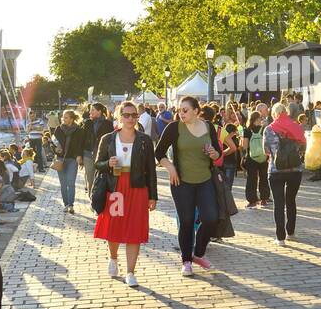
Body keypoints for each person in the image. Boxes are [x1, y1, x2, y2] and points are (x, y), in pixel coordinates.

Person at [92, 100, 158, 288]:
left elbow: (151, 170)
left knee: (135, 230)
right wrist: (108, 164)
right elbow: (98, 164)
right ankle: (113, 258)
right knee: (114, 225)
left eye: (134, 115)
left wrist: (153, 196)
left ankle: (130, 272)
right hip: (116, 186)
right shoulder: (109, 138)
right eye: (126, 115)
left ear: (137, 117)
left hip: (138, 188)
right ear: (119, 116)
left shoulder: (144, 139)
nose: (130, 118)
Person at [155, 95, 221, 275]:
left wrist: (213, 153)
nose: (180, 113)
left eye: (185, 110)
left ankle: (198, 253)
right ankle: (186, 261)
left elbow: (218, 154)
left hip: (205, 180)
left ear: (196, 111)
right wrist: (170, 168)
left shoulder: (208, 127)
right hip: (181, 182)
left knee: (211, 218)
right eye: (179, 110)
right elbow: (159, 152)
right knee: (186, 221)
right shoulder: (174, 127)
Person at [263, 102, 307, 244]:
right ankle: (291, 231)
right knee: (291, 200)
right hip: (295, 170)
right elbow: (303, 146)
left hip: (276, 170)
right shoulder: (296, 126)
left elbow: (266, 151)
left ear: (274, 114)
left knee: (279, 203)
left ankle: (280, 237)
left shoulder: (269, 129)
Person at [52, 108, 87, 214]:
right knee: (63, 184)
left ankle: (71, 205)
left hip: (72, 159)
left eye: (66, 117)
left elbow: (81, 145)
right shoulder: (58, 129)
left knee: (71, 182)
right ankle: (66, 204)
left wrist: (79, 156)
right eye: (63, 117)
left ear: (72, 119)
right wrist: (55, 149)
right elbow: (53, 142)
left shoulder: (79, 130)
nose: (63, 119)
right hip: (60, 159)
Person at [240, 111, 271, 208]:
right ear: (259, 119)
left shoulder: (247, 130)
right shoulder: (264, 129)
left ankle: (252, 201)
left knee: (251, 179)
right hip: (263, 157)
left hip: (251, 158)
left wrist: (241, 141)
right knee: (264, 178)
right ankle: (264, 199)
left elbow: (244, 146)